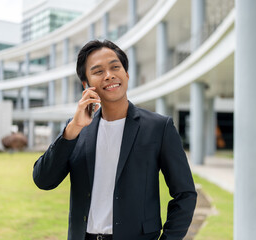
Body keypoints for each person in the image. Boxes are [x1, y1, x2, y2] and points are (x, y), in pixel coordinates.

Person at [33, 39, 197, 240]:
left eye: (115, 67)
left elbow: (185, 194)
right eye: (98, 71)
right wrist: (73, 128)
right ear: (86, 85)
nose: (109, 75)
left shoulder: (158, 128)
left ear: (126, 75)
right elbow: (43, 180)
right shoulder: (77, 129)